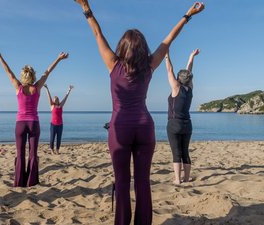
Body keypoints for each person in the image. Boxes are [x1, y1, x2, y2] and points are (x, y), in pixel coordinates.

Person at [73, 1, 205, 224]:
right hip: (145, 126)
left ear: (122, 47)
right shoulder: (149, 64)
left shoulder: (113, 64)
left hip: (120, 128)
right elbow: (169, 38)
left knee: (122, 182)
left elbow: (97, 32)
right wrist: (188, 15)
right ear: (143, 47)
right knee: (143, 182)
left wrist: (85, 7)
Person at [0, 48, 69, 187]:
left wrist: (0, 57)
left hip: (20, 123)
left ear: (22, 76)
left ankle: (19, 182)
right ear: (33, 76)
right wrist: (58, 58)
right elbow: (48, 71)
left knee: (20, 154)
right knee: (33, 154)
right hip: (33, 123)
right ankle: (31, 182)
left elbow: (8, 72)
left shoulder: (18, 87)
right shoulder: (37, 87)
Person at [165, 49, 199, 185]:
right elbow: (188, 71)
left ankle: (178, 180)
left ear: (178, 79)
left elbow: (169, 70)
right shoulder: (190, 88)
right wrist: (191, 56)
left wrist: (166, 56)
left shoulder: (176, 87)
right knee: (185, 152)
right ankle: (186, 178)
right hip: (187, 125)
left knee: (176, 153)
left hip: (174, 124)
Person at [43, 84, 74, 154]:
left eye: (57, 99)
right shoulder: (52, 106)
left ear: (58, 100)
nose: (56, 100)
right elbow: (49, 97)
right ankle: (52, 150)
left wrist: (69, 90)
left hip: (60, 125)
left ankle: (57, 150)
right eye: (54, 99)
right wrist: (47, 89)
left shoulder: (60, 105)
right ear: (53, 101)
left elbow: (65, 98)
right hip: (53, 125)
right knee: (52, 138)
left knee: (59, 138)